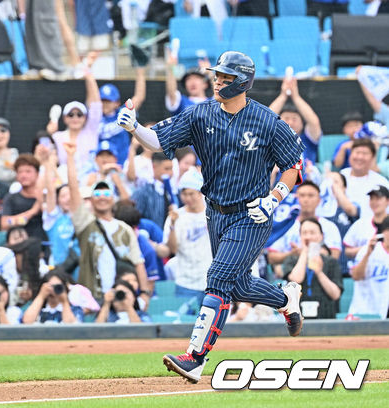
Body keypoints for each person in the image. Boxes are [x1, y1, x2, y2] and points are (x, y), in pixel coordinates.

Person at [117, 51, 305, 383]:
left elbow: (292, 166)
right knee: (239, 285)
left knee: (218, 277)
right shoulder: (199, 114)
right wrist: (135, 128)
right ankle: (284, 298)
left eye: (226, 77)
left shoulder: (268, 121)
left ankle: (195, 358)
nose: (218, 81)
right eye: (217, 75)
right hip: (215, 212)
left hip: (253, 214)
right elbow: (159, 141)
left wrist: (274, 199)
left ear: (243, 81)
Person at [64, 141, 150, 304]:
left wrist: (145, 293)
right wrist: (70, 157)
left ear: (113, 198)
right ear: (91, 199)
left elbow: (138, 262)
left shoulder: (125, 229)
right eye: (97, 193)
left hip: (121, 300)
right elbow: (74, 190)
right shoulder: (85, 224)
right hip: (93, 299)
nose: (102, 197)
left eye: (106, 192)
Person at [163, 169, 211, 305]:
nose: (188, 198)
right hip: (185, 282)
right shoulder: (176, 216)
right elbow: (172, 249)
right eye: (184, 194)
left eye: (191, 194)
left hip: (211, 282)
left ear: (200, 193)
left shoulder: (212, 213)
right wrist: (172, 225)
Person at [267, 181, 342, 267]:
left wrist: (306, 252)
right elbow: (271, 257)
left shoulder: (329, 227)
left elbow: (334, 256)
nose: (306, 200)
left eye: (311, 196)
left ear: (319, 200)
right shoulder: (285, 225)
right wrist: (292, 254)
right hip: (290, 275)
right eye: (302, 195)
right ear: (296, 198)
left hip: (321, 274)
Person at [282, 218, 343, 319]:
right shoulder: (292, 260)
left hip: (326, 316)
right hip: (297, 318)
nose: (308, 236)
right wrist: (305, 251)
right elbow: (296, 279)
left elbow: (335, 295)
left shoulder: (331, 262)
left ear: (321, 236)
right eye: (304, 233)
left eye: (312, 233)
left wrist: (319, 272)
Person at [96, 67, 146, 166]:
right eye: (102, 101)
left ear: (117, 103)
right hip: (100, 167)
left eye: (108, 101)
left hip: (122, 165)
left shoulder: (123, 113)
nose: (105, 104)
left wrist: (140, 72)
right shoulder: (94, 117)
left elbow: (139, 97)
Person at [269, 76, 322, 165]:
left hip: (305, 178)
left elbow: (314, 122)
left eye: (294, 119)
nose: (290, 123)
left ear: (302, 124)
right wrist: (283, 95)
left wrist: (296, 96)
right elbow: (266, 118)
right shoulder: (271, 140)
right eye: (286, 118)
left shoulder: (308, 140)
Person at [348, 216, 389, 318]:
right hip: (364, 312)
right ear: (383, 232)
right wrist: (368, 254)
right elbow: (356, 276)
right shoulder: (367, 250)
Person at [0, 154, 47, 242]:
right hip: (20, 245)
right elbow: (4, 224)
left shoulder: (46, 197)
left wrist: (40, 199)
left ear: (37, 173)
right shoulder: (11, 198)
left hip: (44, 243)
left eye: (28, 171)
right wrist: (32, 212)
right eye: (20, 172)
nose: (23, 175)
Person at [340, 138, 389, 219]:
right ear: (350, 155)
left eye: (365, 153)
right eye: (357, 152)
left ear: (373, 158)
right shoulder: (339, 177)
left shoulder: (381, 182)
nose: (360, 157)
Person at [343, 185, 389, 266]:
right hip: (364, 269)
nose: (374, 202)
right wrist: (367, 249)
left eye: (378, 199)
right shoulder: (360, 224)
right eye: (372, 199)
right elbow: (347, 251)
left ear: (387, 201)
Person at [131, 152, 175, 229]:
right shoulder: (142, 192)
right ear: (154, 167)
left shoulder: (174, 191)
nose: (170, 173)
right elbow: (134, 219)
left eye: (171, 169)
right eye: (166, 169)